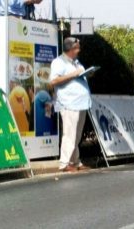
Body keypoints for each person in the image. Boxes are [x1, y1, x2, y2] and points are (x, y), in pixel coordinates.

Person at [50, 37, 91, 172]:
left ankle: (75, 161)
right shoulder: (58, 62)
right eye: (77, 48)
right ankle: (64, 163)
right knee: (69, 134)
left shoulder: (76, 62)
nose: (79, 50)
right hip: (69, 103)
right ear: (70, 49)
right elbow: (54, 80)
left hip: (81, 103)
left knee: (77, 135)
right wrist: (73, 74)